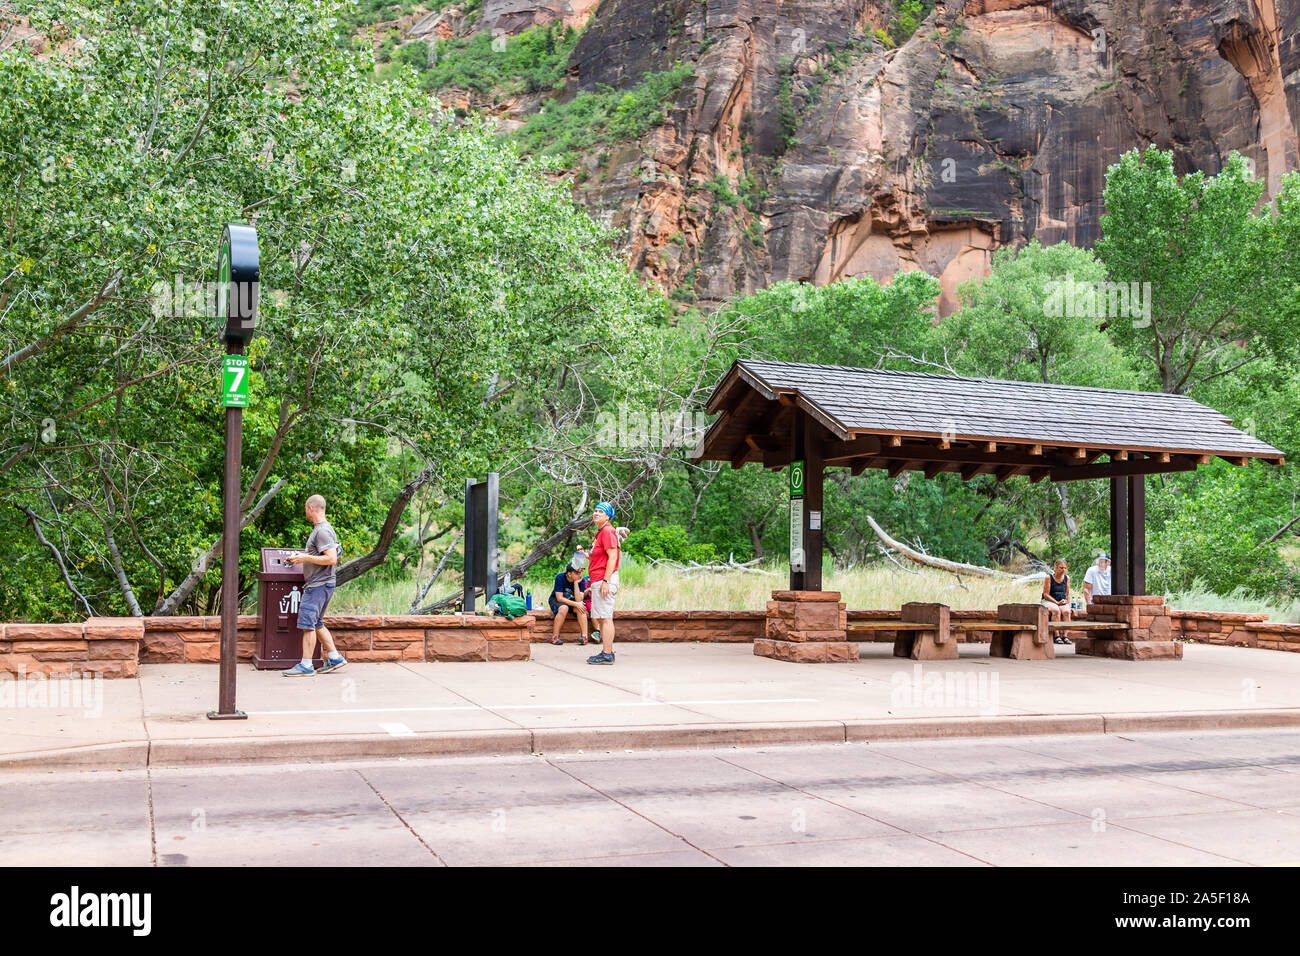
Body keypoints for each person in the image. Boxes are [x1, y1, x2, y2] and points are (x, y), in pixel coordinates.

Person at [283, 495, 347, 676]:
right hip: (324, 583)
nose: (305, 512)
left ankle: (306, 665)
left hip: (318, 585)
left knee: (307, 624)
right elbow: (321, 555)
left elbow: (331, 558)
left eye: (305, 508)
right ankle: (335, 657)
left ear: (311, 508)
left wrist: (305, 558)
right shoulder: (322, 530)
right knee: (317, 622)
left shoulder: (322, 531)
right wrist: (302, 555)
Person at [586, 502, 621, 665]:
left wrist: (606, 581)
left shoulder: (607, 531)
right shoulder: (600, 532)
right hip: (598, 579)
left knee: (606, 618)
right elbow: (601, 555)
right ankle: (606, 652)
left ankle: (607, 654)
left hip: (604, 579)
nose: (596, 513)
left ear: (608, 516)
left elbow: (613, 557)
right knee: (602, 617)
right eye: (595, 511)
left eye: (601, 511)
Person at [549, 565, 593, 645]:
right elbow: (559, 598)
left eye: (581, 572)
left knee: (582, 608)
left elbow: (579, 600)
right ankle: (555, 637)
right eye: (577, 573)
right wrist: (576, 604)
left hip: (573, 602)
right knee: (564, 608)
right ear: (569, 574)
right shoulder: (560, 577)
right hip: (557, 601)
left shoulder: (581, 581)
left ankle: (584, 637)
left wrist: (576, 583)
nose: (580, 575)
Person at [1042, 557, 1073, 645]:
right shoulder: (1049, 577)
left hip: (1062, 600)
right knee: (1056, 610)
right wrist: (1056, 602)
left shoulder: (1067, 578)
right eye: (1061, 568)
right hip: (1050, 600)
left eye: (1065, 568)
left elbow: (1067, 594)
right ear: (1055, 567)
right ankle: (1057, 635)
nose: (1063, 570)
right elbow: (1046, 594)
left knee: (1067, 611)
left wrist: (1069, 605)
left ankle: (1065, 636)